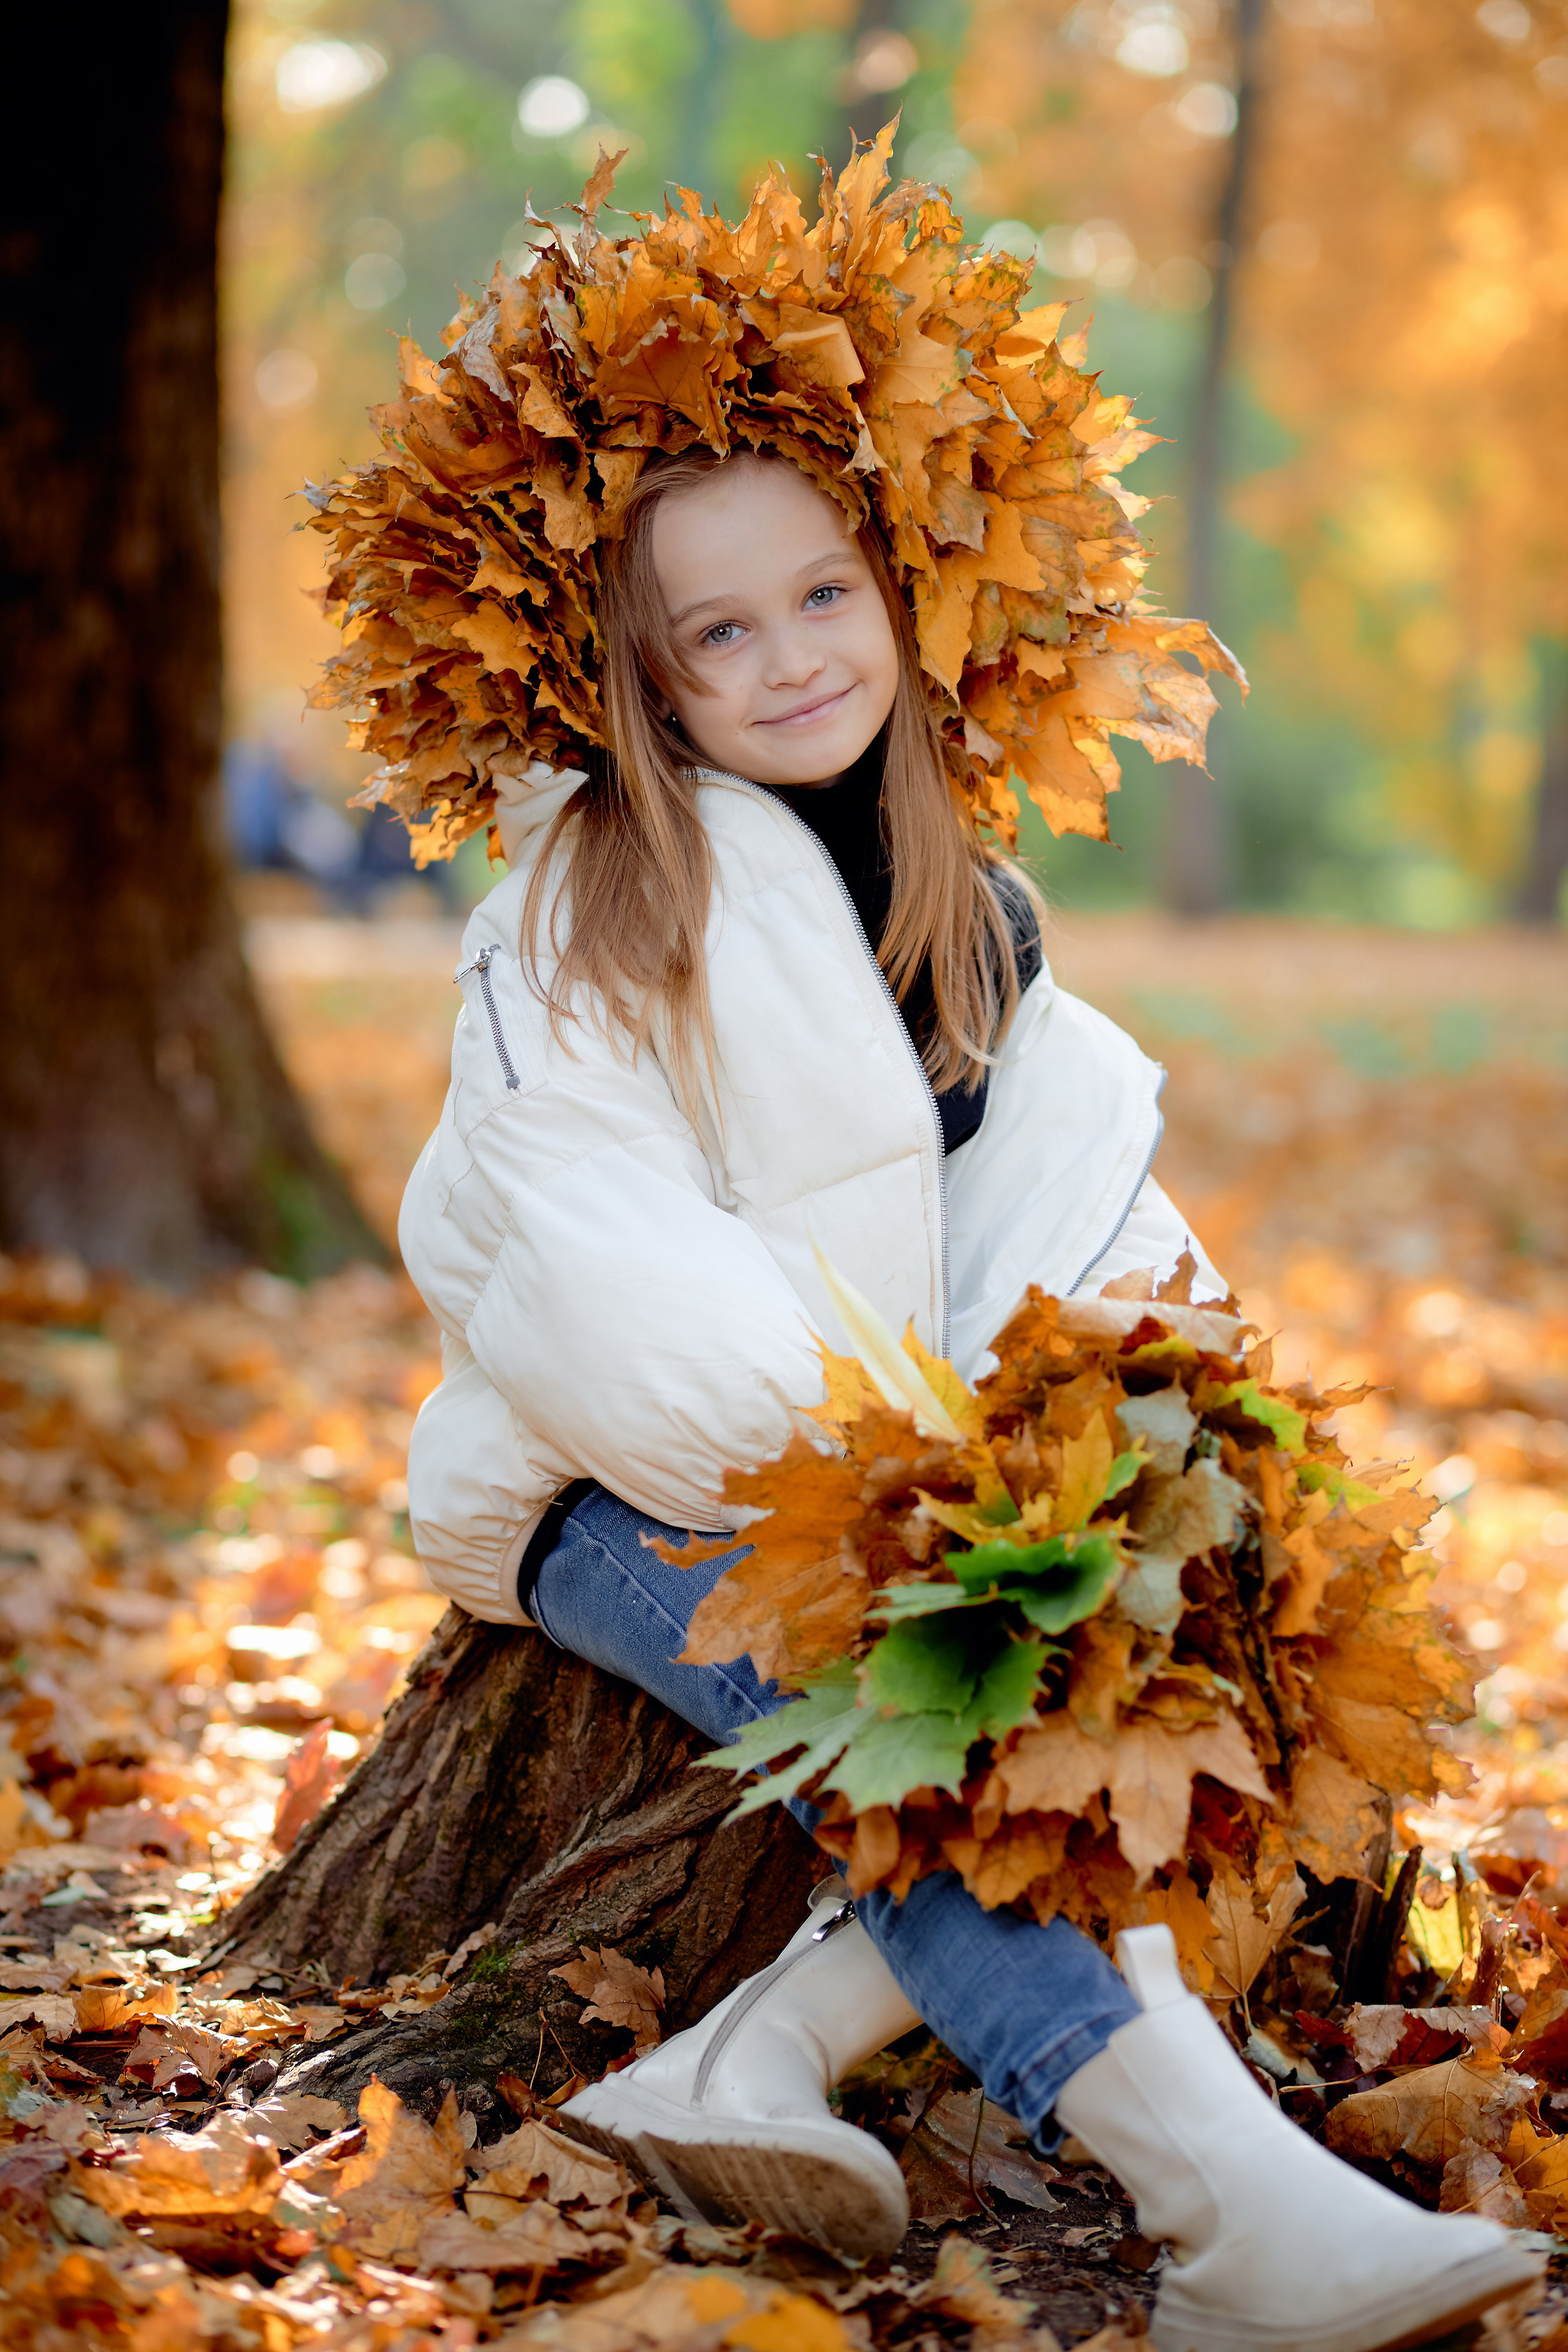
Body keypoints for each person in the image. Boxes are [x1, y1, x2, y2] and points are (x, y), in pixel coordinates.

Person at [319, 144, 1541, 2351]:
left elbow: (1062, 1218)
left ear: (902, 590)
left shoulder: (964, 908)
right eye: (719, 630)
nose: (791, 660)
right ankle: (1227, 2217)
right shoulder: (590, 907)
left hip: (879, 1482)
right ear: (646, 680)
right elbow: (595, 1272)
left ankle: (752, 2055)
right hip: (638, 1486)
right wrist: (905, 1515)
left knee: (1124, 1666)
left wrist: (1150, 1462)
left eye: (825, 596)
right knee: (958, 1699)